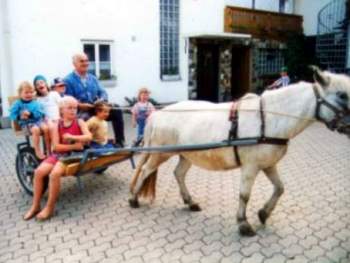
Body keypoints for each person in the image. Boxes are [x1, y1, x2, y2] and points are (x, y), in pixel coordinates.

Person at [23, 96, 92, 221]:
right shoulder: (56, 125)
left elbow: (88, 137)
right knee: (38, 172)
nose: (73, 111)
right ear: (61, 110)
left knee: (54, 174)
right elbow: (56, 147)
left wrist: (73, 137)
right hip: (60, 154)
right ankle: (35, 205)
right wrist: (75, 145)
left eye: (75, 108)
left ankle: (49, 207)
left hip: (74, 156)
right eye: (69, 108)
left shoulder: (79, 122)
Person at [64, 53, 125, 146]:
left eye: (86, 61)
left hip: (95, 108)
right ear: (74, 64)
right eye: (82, 61)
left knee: (116, 110)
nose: (85, 63)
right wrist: (80, 105)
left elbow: (103, 92)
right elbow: (67, 100)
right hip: (79, 111)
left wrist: (100, 101)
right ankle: (85, 145)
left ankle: (120, 142)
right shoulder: (68, 80)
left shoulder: (93, 78)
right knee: (85, 118)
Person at [9, 81, 49, 159]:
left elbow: (40, 113)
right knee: (35, 129)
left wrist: (31, 114)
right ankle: (37, 151)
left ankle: (48, 149)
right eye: (26, 92)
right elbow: (12, 114)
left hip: (38, 121)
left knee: (46, 128)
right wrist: (20, 116)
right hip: (26, 124)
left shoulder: (35, 103)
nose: (29, 94)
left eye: (31, 92)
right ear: (20, 93)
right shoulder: (18, 104)